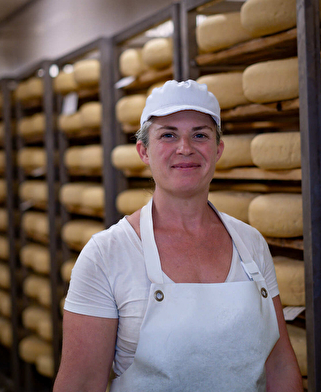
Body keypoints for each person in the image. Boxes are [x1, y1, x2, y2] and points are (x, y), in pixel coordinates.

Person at [53, 80, 303, 392]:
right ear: (143, 151)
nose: (185, 147)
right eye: (168, 135)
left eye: (200, 134)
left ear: (218, 149)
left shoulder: (251, 243)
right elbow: (81, 383)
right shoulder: (106, 254)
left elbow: (279, 364)